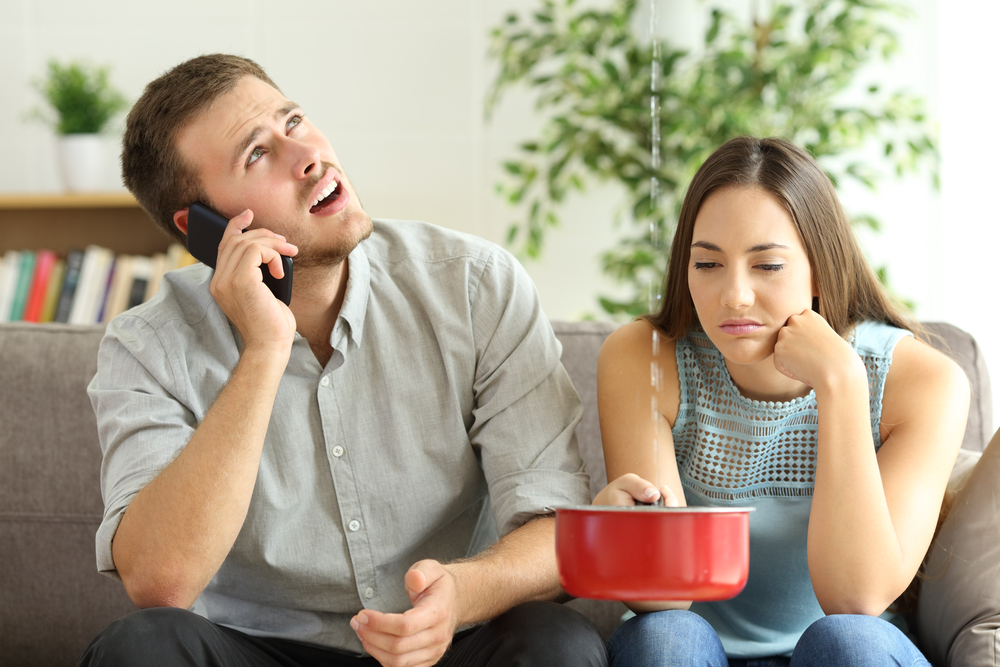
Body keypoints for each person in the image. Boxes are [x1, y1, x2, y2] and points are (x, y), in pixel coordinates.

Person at [80, 54, 607, 667]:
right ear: (203, 227)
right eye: (257, 154)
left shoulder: (475, 285)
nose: (308, 156)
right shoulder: (147, 347)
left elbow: (558, 533)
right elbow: (160, 583)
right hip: (261, 651)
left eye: (294, 122)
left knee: (558, 643)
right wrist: (265, 349)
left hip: (449, 639)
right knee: (141, 648)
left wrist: (460, 596)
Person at [592, 136, 970, 666]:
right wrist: (619, 536)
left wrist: (841, 383)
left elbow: (856, 600)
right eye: (708, 264)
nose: (734, 296)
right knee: (667, 637)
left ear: (820, 265)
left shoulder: (926, 382)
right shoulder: (644, 358)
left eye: (767, 265)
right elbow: (665, 595)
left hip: (846, 653)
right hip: (690, 649)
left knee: (847, 640)